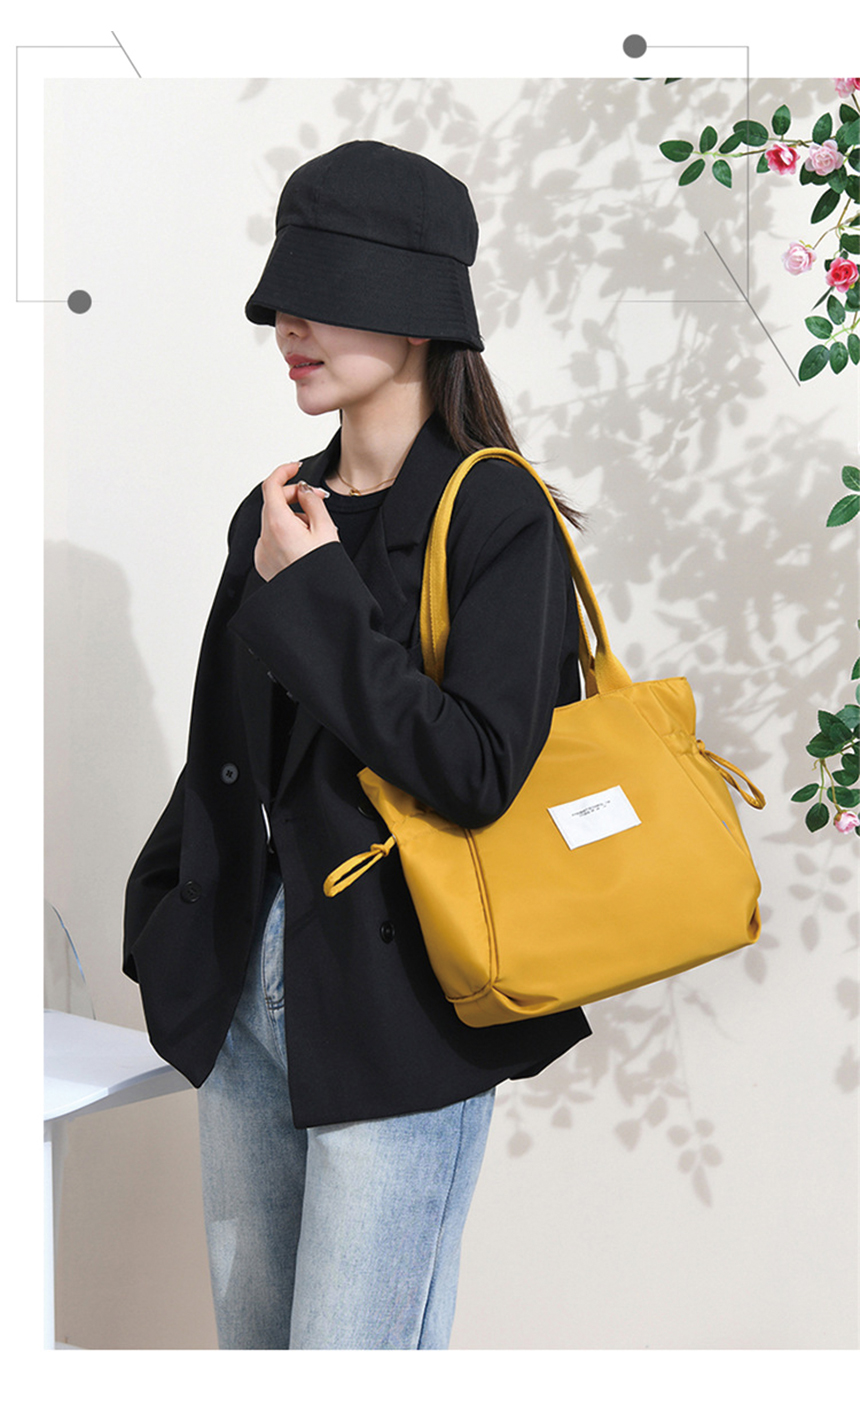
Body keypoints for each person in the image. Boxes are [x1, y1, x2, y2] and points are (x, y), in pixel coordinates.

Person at [123, 139, 592, 1350]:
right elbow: (223, 754)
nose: (288, 322)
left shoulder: (495, 510)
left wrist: (319, 594)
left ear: (417, 312)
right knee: (256, 1354)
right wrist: (168, 916)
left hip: (400, 1013)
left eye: (322, 293)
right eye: (282, 295)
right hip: (247, 990)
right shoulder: (277, 508)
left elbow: (474, 772)